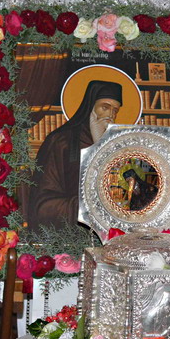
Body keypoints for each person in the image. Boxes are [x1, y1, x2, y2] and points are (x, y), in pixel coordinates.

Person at [26, 80, 123, 231]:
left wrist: (100, 144)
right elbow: (42, 205)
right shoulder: (61, 141)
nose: (110, 115)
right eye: (105, 107)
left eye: (115, 110)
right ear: (90, 107)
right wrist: (88, 207)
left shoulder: (116, 147)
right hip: (69, 232)